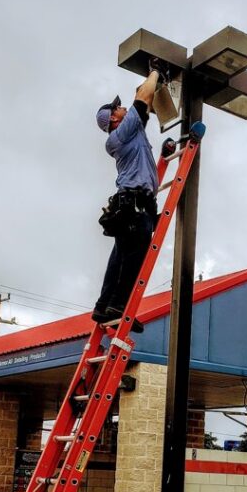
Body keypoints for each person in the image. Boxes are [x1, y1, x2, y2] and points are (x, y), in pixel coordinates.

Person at [92, 64, 165, 332]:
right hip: (136, 204)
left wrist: (155, 84)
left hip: (130, 205)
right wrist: (156, 72)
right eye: (118, 108)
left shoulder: (131, 132)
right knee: (134, 258)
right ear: (113, 120)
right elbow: (142, 99)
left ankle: (103, 307)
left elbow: (144, 103)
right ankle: (117, 308)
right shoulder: (120, 135)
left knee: (120, 256)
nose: (122, 108)